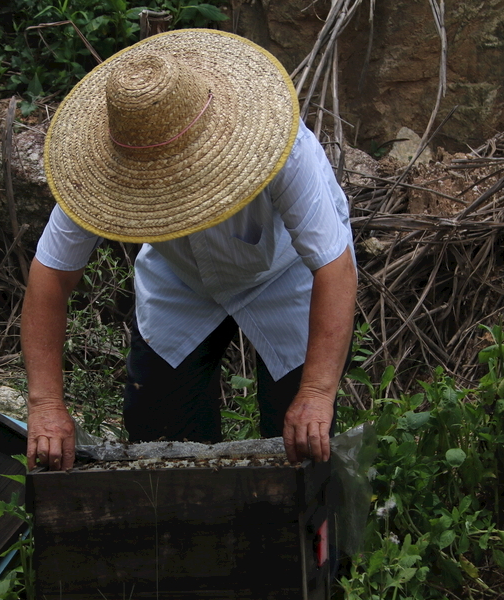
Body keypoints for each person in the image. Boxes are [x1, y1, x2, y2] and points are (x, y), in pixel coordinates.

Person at [22, 29, 356, 471]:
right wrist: (45, 403)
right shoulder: (97, 169)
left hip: (286, 275)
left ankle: (300, 535)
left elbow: (335, 268)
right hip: (178, 277)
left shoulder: (283, 148)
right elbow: (51, 276)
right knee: (158, 441)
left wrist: (315, 394)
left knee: (300, 443)